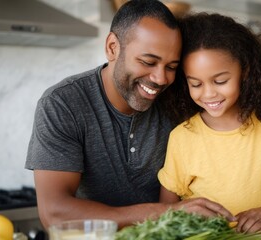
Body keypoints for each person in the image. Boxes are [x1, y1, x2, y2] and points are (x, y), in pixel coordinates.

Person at [25, 0, 233, 230]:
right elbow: (54, 214)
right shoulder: (63, 104)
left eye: (171, 67)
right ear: (113, 47)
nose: (161, 78)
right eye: (148, 62)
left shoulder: (181, 99)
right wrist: (167, 212)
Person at [158, 12, 261, 234]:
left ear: (245, 72)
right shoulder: (182, 137)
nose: (208, 93)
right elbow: (164, 212)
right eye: (195, 84)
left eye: (220, 81)